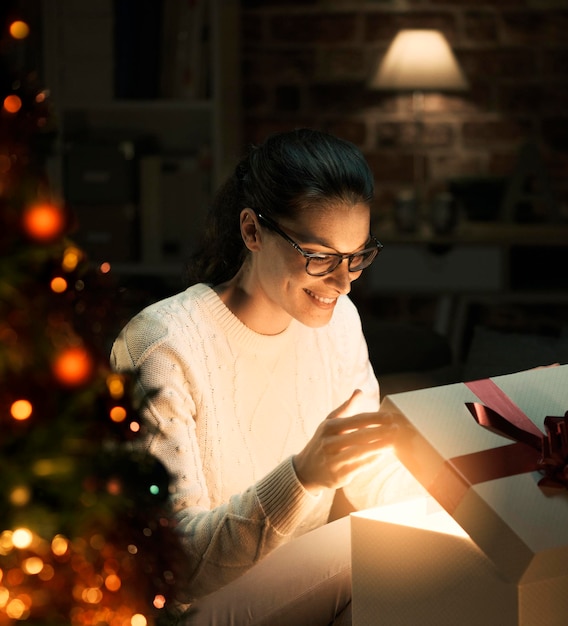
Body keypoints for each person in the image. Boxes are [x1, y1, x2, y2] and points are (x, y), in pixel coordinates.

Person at [110, 128, 421, 625]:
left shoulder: (339, 322)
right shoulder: (163, 342)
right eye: (320, 256)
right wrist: (301, 476)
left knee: (426, 541)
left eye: (357, 257)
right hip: (189, 608)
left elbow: (369, 472)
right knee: (368, 547)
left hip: (301, 593)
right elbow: (178, 563)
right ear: (253, 231)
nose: (342, 283)